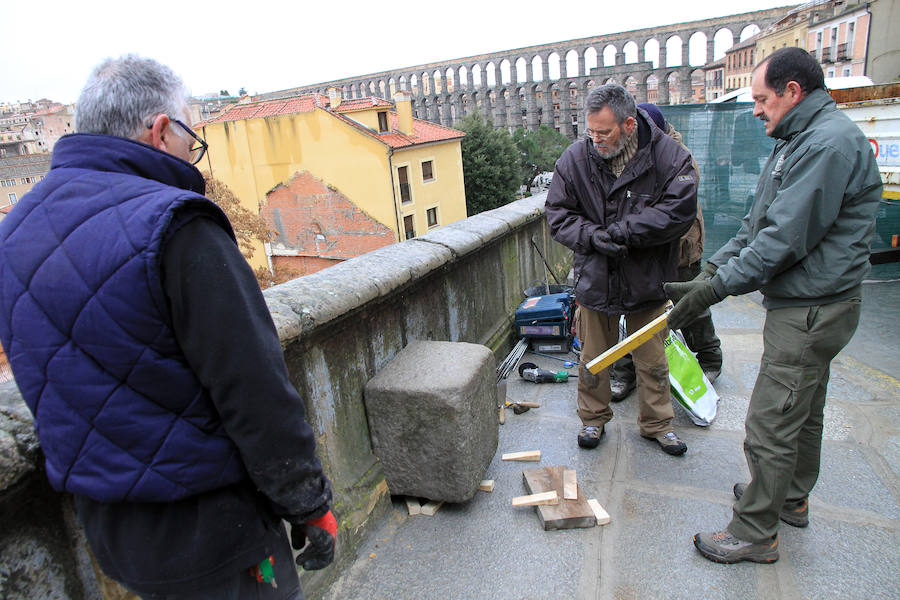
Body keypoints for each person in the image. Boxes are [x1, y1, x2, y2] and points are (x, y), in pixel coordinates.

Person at [0, 55, 335, 598]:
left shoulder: (15, 232)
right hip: (216, 534)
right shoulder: (176, 224)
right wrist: (309, 504)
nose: (191, 154)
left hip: (116, 537)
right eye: (191, 139)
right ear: (160, 131)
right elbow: (254, 389)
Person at [665, 47, 882, 564]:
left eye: (762, 99)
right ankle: (789, 497)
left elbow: (781, 239)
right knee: (802, 410)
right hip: (814, 301)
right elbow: (755, 224)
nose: (756, 110)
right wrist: (714, 270)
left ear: (792, 92)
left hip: (812, 308)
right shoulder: (799, 140)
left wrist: (713, 292)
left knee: (772, 419)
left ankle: (755, 530)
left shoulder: (826, 146)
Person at [546, 84, 698, 456]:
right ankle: (592, 420)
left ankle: (658, 424)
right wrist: (593, 237)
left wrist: (626, 232)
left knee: (652, 359)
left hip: (647, 277)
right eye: (590, 131)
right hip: (596, 275)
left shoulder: (670, 157)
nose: (594, 140)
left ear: (629, 124)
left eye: (603, 132)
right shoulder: (575, 159)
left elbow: (679, 212)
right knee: (593, 358)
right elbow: (558, 215)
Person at [608, 103, 723, 402]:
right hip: (645, 251)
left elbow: (673, 208)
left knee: (692, 304)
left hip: (681, 248)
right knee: (632, 309)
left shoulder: (680, 156)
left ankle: (710, 359)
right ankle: (625, 372)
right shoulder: (634, 152)